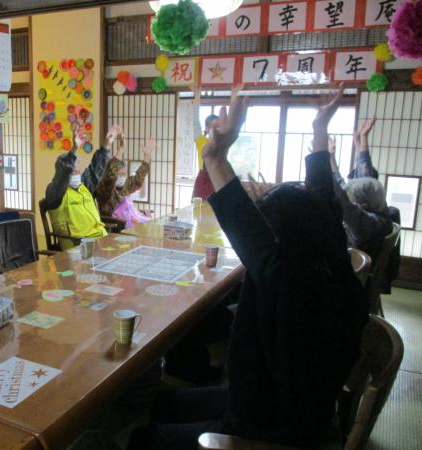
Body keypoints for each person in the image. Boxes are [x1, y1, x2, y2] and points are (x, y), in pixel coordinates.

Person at [128, 85, 367, 449]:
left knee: (144, 438)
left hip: (266, 428)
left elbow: (249, 231)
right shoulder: (331, 256)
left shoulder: (286, 282)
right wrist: (320, 131)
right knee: (165, 402)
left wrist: (215, 155)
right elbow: (323, 199)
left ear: (280, 242)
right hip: (294, 405)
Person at [334, 118, 400, 292]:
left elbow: (341, 197)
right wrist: (362, 141)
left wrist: (321, 157)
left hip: (351, 281)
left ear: (362, 204)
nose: (349, 199)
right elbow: (364, 177)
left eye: (352, 199)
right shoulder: (379, 212)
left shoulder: (368, 223)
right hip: (357, 270)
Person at [44, 129, 108, 250]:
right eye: (72, 172)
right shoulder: (55, 192)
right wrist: (74, 148)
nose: (76, 175)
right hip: (77, 244)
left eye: (78, 172)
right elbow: (62, 173)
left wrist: (106, 145)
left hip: (98, 237)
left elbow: (95, 170)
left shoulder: (83, 186)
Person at [94, 130, 154, 228]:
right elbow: (111, 175)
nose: (123, 177)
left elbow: (137, 180)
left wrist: (147, 157)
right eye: (120, 174)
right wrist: (121, 149)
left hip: (128, 224)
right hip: (113, 227)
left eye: (125, 174)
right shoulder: (105, 188)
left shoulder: (125, 185)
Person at [192, 114, 218, 200]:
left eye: (217, 126)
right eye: (211, 126)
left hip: (217, 180)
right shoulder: (201, 140)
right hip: (202, 180)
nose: (214, 129)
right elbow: (196, 123)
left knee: (215, 206)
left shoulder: (221, 143)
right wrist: (195, 106)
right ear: (206, 128)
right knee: (199, 205)